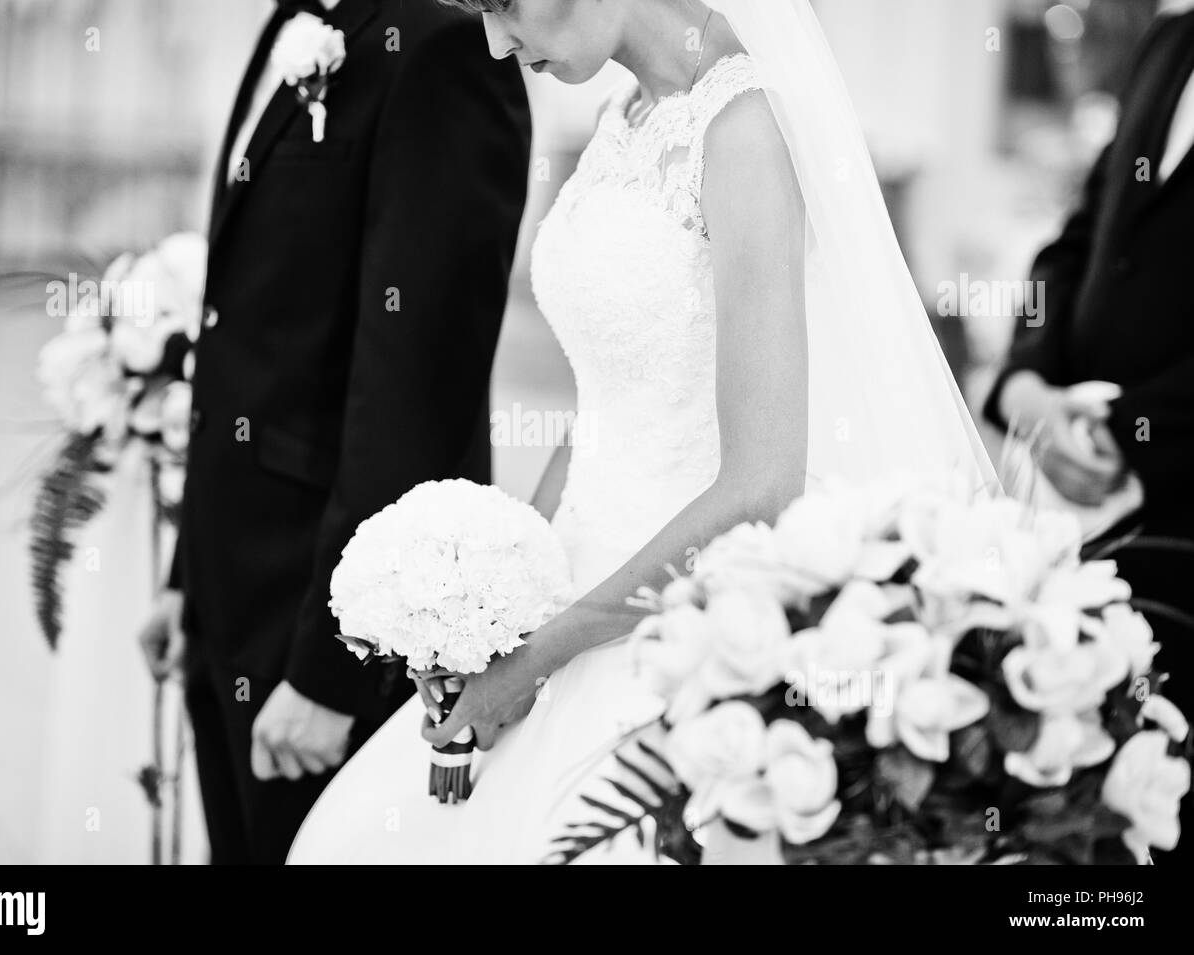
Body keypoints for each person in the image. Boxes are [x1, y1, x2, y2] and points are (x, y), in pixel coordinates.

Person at [288, 0, 993, 865]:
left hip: (674, 630)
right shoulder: (622, 116)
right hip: (569, 592)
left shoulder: (745, 128)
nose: (495, 42)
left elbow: (760, 488)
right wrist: (500, 610)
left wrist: (541, 653)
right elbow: (604, 404)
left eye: (503, 6)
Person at [136, 0, 531, 864]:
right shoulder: (298, 17)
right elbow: (244, 321)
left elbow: (418, 382)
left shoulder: (448, 43)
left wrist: (334, 671)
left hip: (324, 612)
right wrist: (186, 578)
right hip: (230, 587)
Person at [984, 3, 1194, 865]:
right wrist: (1027, 384)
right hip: (1091, 542)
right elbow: (1080, 238)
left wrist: (1124, 433)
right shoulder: (1171, 40)